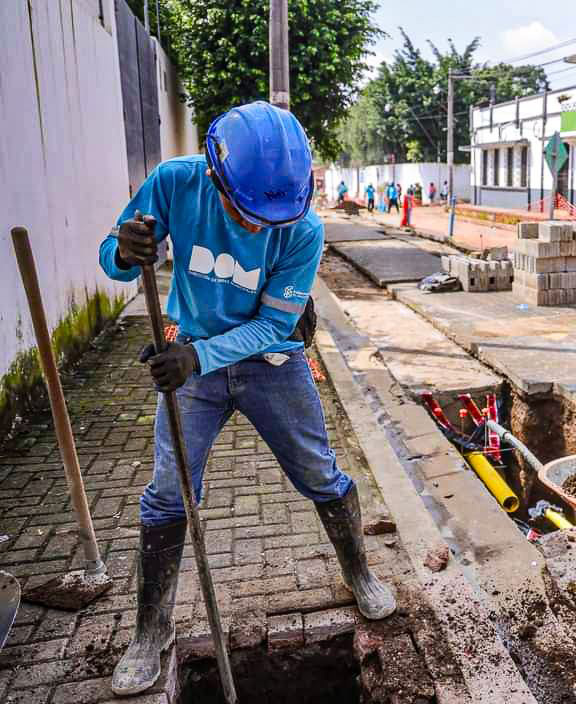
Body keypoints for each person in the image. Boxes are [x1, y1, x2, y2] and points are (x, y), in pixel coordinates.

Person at [99, 101, 396, 697]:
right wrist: (124, 251)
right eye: (247, 212)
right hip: (195, 370)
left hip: (271, 365)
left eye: (273, 217)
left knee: (319, 471)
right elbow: (114, 260)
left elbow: (271, 326)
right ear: (215, 175)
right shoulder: (176, 183)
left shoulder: (302, 228)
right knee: (168, 490)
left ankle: (358, 571)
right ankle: (150, 629)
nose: (261, 228)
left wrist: (197, 357)